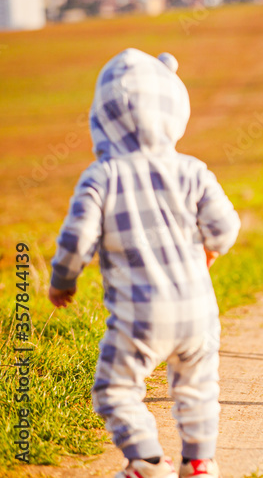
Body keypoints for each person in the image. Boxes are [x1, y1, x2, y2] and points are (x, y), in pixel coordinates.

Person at [48, 49, 241, 478]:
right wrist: (209, 251)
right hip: (198, 311)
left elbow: (76, 239)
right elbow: (226, 227)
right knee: (197, 388)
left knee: (116, 389)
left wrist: (63, 280)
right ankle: (199, 462)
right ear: (174, 107)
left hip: (139, 313)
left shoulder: (101, 176)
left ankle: (147, 460)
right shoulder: (191, 170)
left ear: (103, 116)